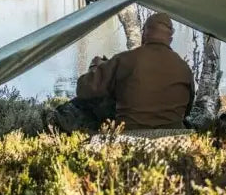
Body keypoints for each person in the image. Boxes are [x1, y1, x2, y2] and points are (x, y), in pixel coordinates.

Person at [49, 12, 195, 133]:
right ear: (170, 39)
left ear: (144, 34)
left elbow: (83, 89)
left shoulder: (125, 60)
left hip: (129, 136)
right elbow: (187, 110)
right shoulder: (184, 68)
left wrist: (96, 68)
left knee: (82, 106)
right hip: (173, 138)